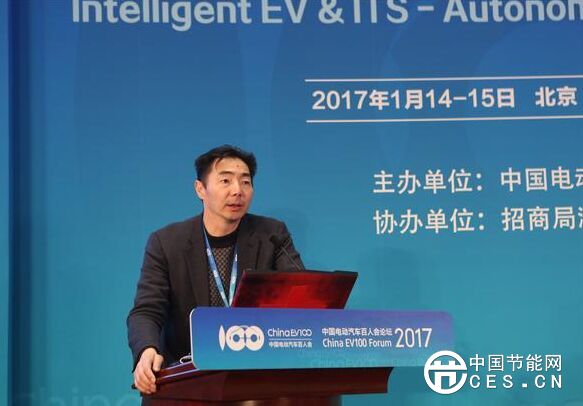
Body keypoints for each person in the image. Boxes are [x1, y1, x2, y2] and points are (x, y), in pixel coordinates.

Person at [127, 145, 304, 395]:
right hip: (188, 379)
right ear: (200, 189)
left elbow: (300, 295)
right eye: (225, 180)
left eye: (245, 182)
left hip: (257, 378)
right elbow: (146, 310)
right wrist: (147, 350)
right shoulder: (167, 243)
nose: (237, 190)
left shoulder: (272, 235)